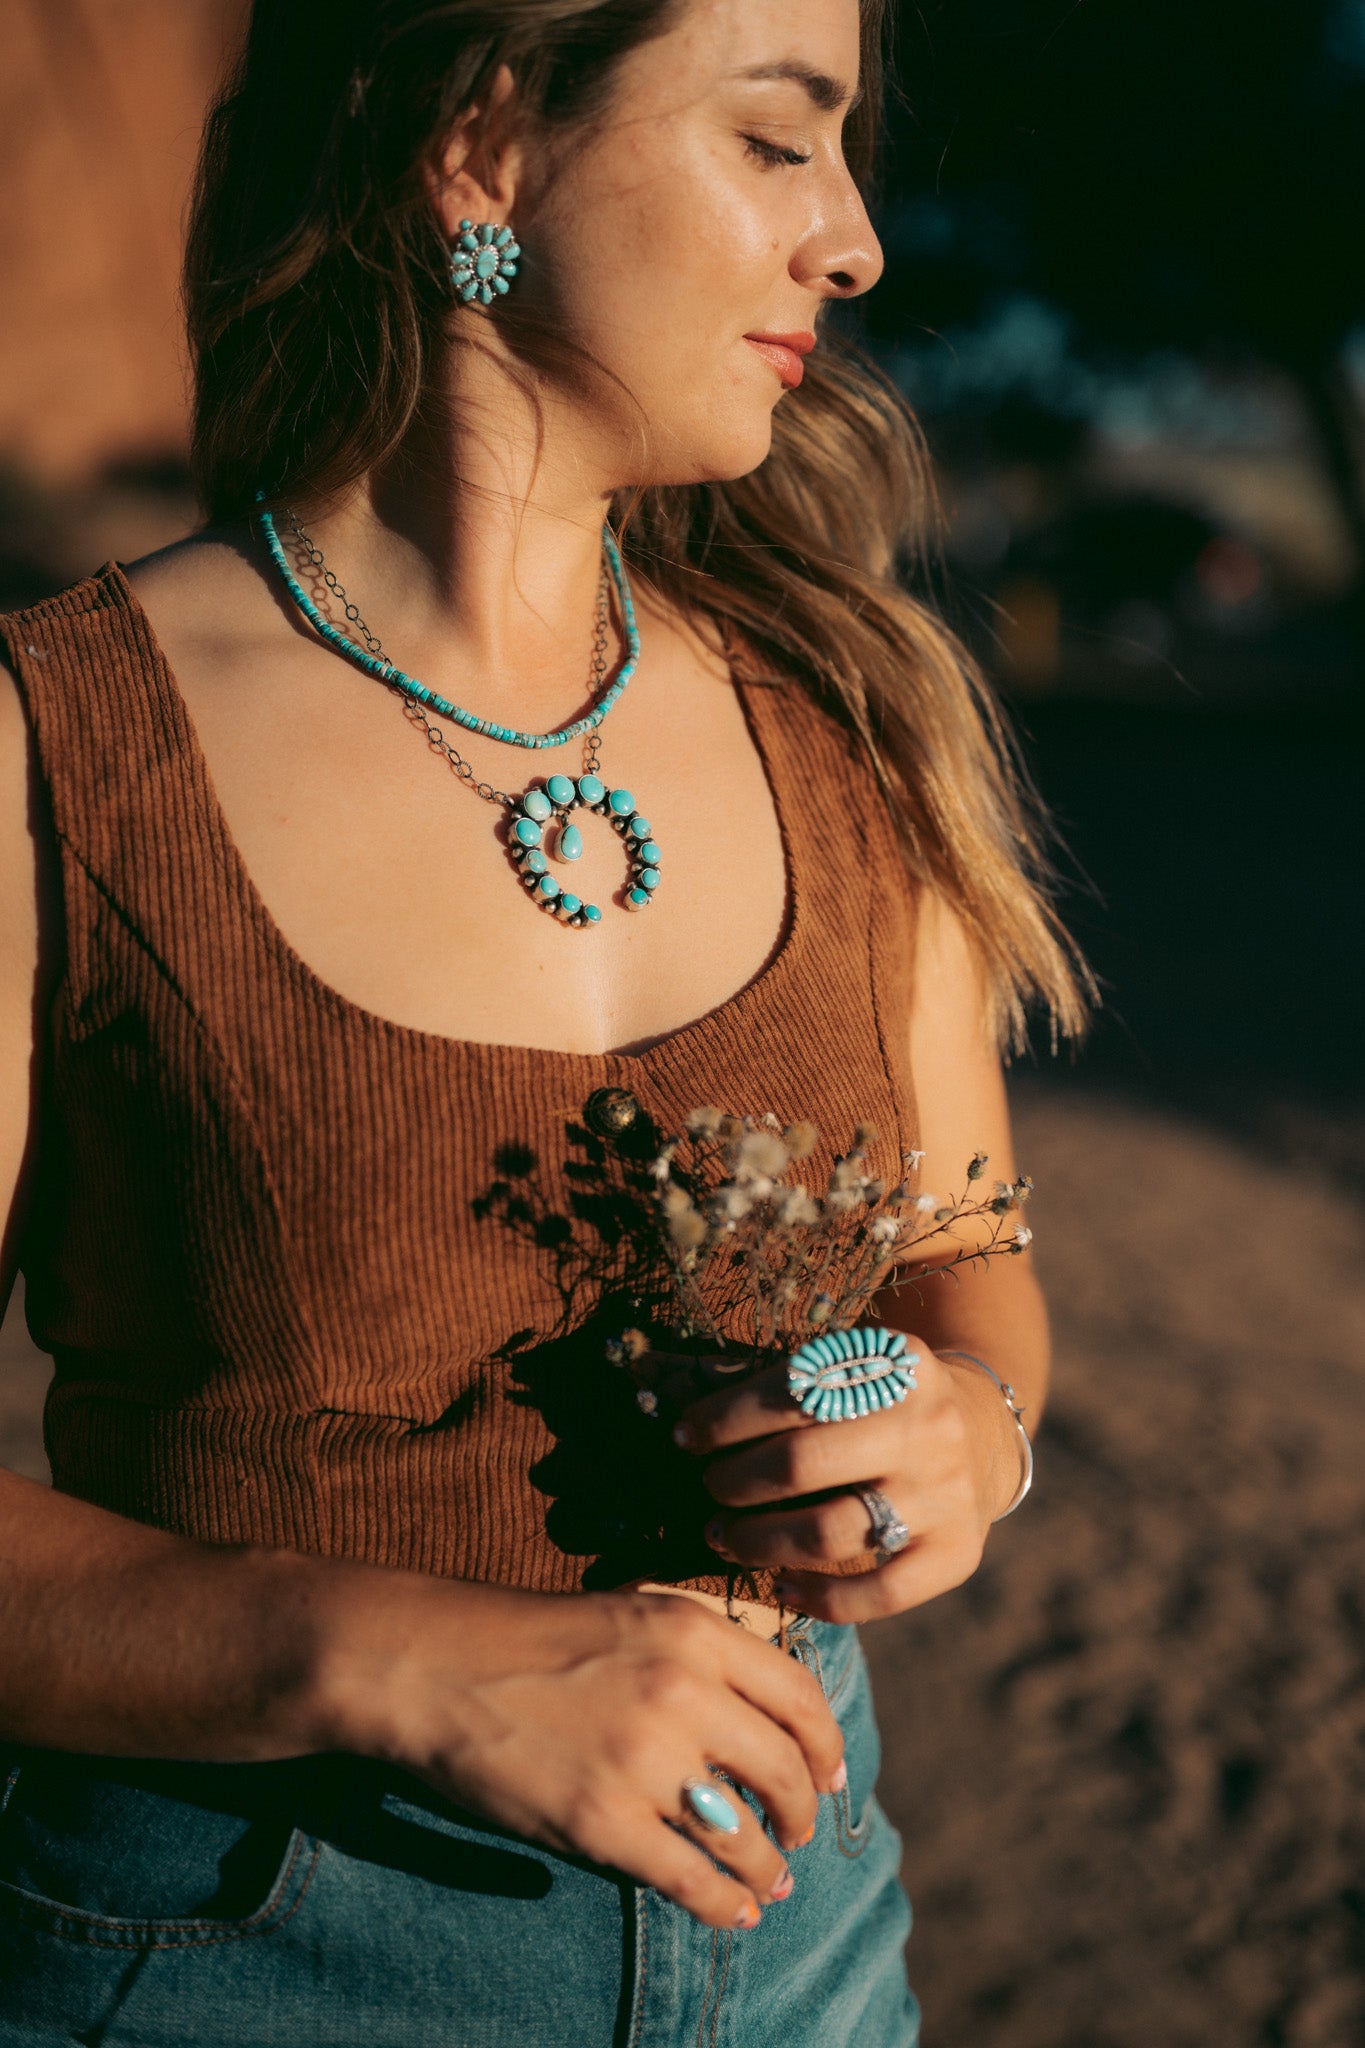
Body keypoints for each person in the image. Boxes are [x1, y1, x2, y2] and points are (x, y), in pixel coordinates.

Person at [0, 1, 1089, 2040]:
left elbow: (964, 1257)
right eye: (777, 141)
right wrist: (389, 1655)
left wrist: (967, 1432)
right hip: (238, 1954)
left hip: (807, 1944)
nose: (851, 243)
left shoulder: (857, 728)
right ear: (477, 149)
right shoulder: (53, 748)